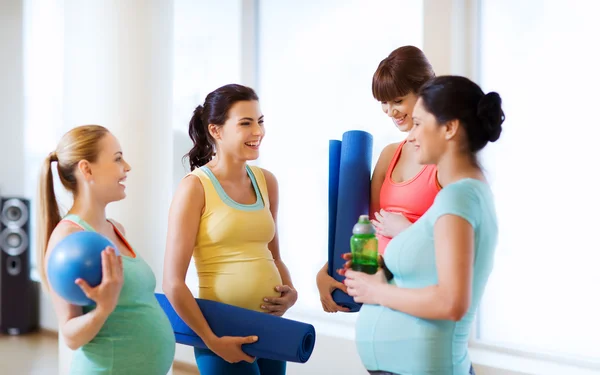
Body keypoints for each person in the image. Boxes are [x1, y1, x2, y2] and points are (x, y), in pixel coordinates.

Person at [343, 75, 504, 374]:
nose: (412, 135)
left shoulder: (459, 198)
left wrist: (377, 292)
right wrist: (377, 273)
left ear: (449, 128)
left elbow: (451, 302)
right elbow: (428, 276)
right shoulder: (460, 196)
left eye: (419, 123)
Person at [162, 84, 296, 375]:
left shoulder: (266, 181)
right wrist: (211, 340)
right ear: (216, 131)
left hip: (271, 326)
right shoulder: (195, 187)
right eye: (245, 123)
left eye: (260, 121)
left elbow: (274, 256)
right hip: (221, 330)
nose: (257, 131)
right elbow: (173, 282)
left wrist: (291, 292)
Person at [37, 125, 176, 375]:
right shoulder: (68, 238)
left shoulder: (116, 229)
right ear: (86, 169)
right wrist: (103, 308)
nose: (127, 167)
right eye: (117, 158)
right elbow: (70, 335)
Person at [316, 46, 440, 313]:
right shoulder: (389, 155)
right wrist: (325, 271)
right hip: (377, 293)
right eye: (384, 103)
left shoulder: (445, 159)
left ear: (426, 90)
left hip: (418, 295)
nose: (389, 111)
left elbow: (455, 245)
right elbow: (365, 230)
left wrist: (408, 231)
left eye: (397, 100)